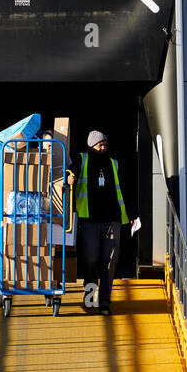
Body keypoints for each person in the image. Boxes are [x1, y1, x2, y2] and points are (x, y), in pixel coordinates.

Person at [67, 131, 139, 316]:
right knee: (90, 259)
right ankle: (90, 295)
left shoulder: (114, 164)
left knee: (110, 262)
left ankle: (105, 302)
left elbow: (125, 189)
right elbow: (70, 171)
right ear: (92, 145)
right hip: (90, 219)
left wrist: (132, 214)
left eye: (105, 144)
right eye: (100, 145)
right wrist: (69, 179)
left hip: (112, 219)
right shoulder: (82, 160)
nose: (104, 148)